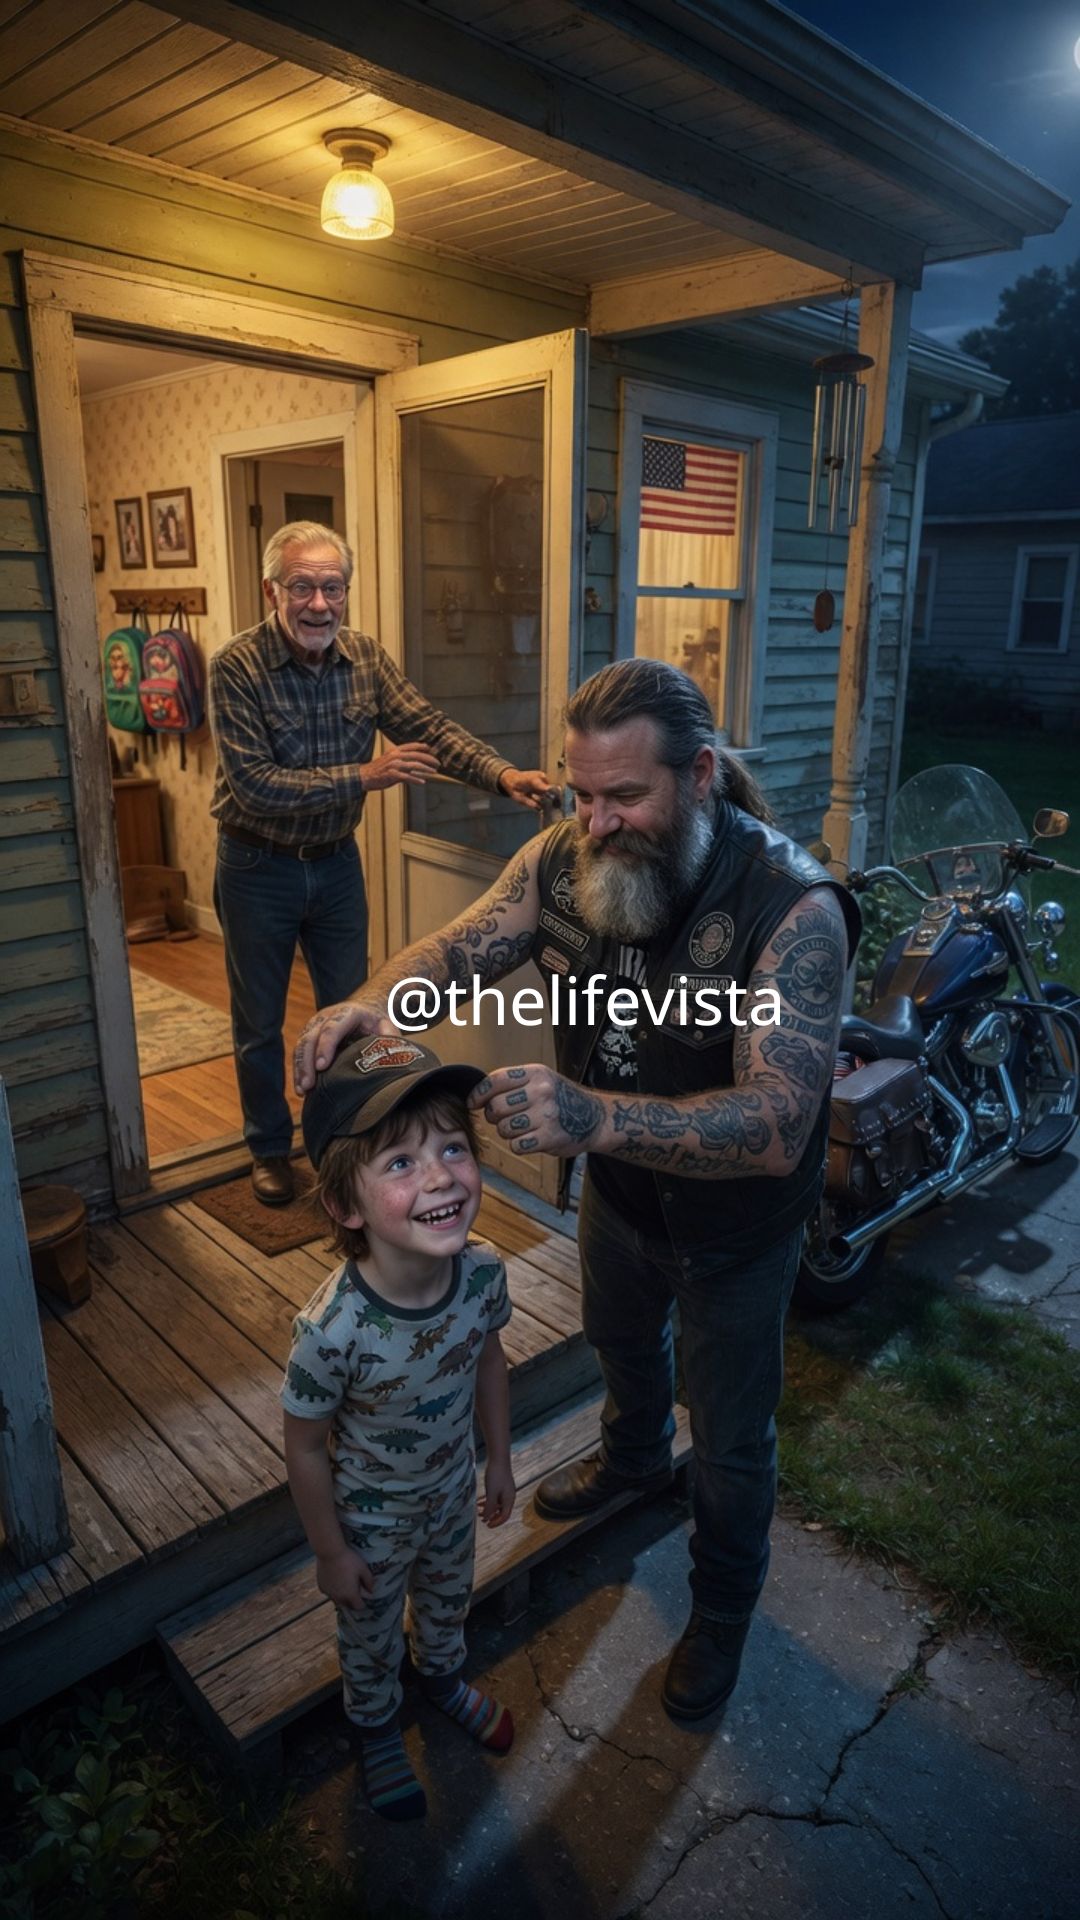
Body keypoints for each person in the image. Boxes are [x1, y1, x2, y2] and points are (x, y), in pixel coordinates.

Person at [295, 658, 861, 1724]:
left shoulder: (791, 907)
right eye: (580, 792)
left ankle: (721, 1612)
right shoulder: (563, 856)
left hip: (738, 1232)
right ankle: (635, 1459)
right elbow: (462, 948)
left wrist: (591, 1118)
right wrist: (373, 1002)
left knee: (731, 1439)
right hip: (623, 1198)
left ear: (700, 775)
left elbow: (779, 1126)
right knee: (620, 1339)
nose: (595, 824)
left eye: (624, 796)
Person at [208, 519, 556, 1205]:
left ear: (346, 591)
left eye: (332, 588)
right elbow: (252, 784)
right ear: (271, 591)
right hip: (257, 867)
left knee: (354, 1014)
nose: (319, 604)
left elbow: (429, 728)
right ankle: (269, 1149)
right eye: (302, 587)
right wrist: (365, 776)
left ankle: (346, 1142)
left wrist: (501, 774)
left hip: (336, 864)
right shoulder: (235, 666)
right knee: (259, 1024)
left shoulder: (364, 657)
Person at [282, 1036, 516, 1820]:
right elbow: (303, 1445)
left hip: (451, 1490)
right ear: (346, 1207)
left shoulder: (483, 1273)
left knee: (449, 1599)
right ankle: (376, 1725)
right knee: (370, 1632)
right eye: (401, 1162)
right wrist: (330, 1552)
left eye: (453, 1147)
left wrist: (499, 1461)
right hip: (370, 1520)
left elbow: (489, 1362)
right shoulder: (330, 1331)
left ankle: (443, 1678)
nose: (441, 1176)